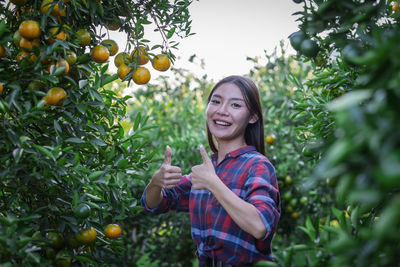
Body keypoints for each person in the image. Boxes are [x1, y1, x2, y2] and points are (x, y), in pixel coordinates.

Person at [141, 75, 280, 266]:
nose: (222, 111)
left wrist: (213, 184)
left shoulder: (257, 166)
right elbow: (154, 204)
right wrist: (156, 182)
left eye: (235, 105)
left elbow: (260, 226)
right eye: (216, 101)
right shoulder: (207, 171)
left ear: (253, 117)